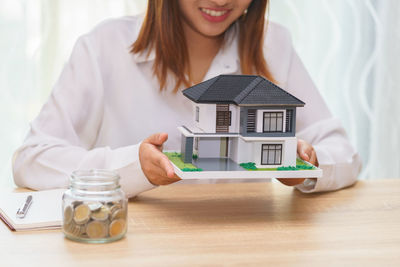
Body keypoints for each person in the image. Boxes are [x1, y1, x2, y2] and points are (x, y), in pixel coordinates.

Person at [12, 0, 361, 197]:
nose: (221, 1)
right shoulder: (102, 48)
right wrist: (132, 166)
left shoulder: (275, 45)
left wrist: (307, 167)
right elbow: (32, 159)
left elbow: (344, 153)